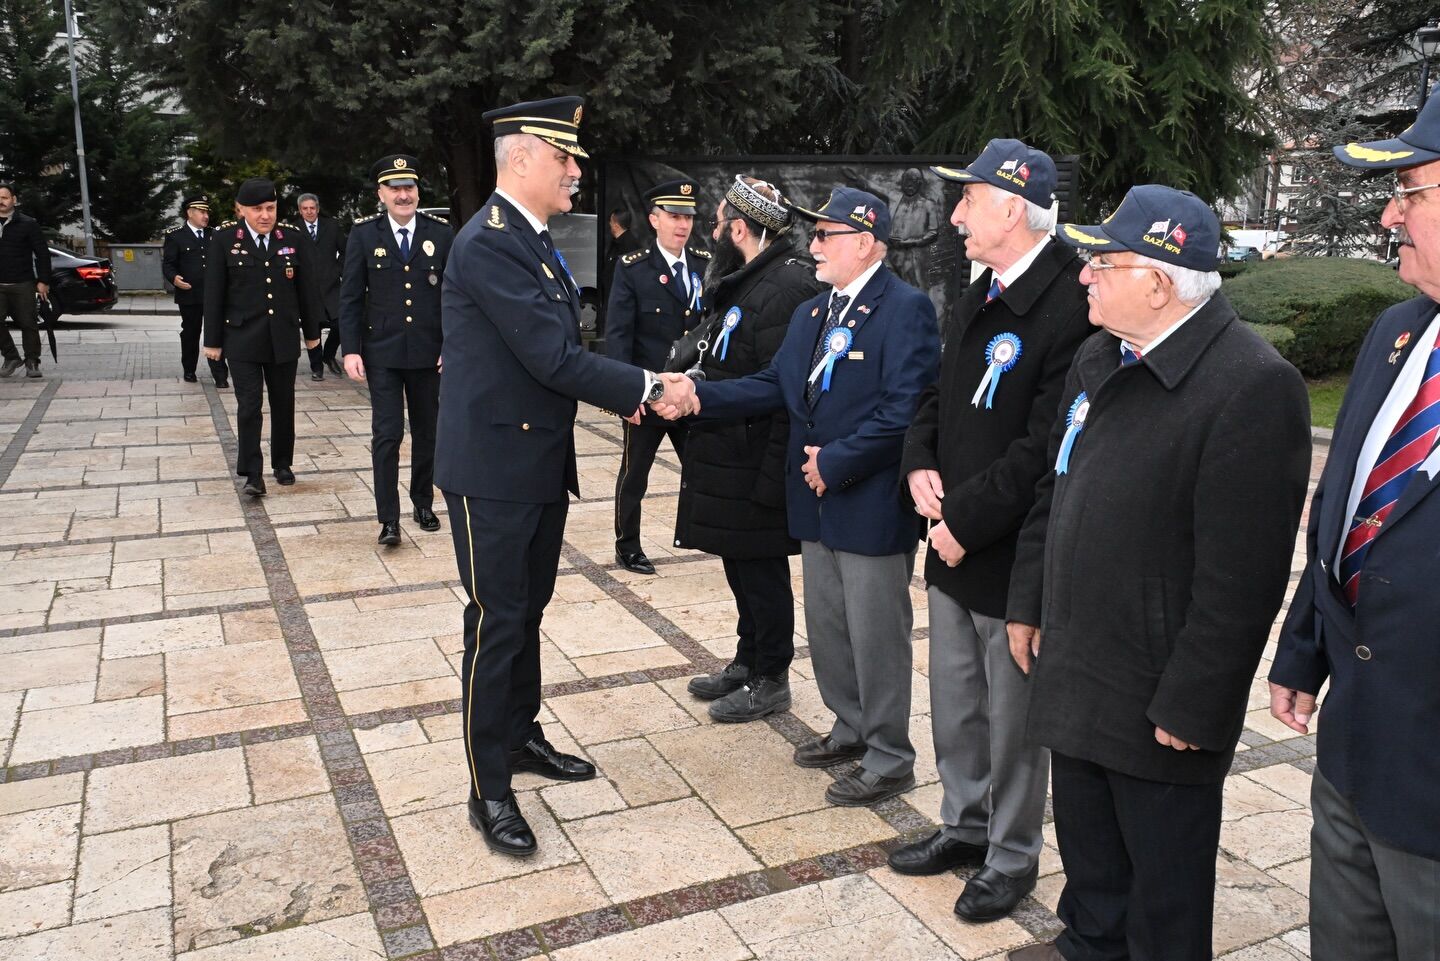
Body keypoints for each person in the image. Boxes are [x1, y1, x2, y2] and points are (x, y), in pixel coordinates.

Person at [1003, 185, 1311, 961]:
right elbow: (1055, 483)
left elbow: (1243, 578)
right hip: (1077, 671)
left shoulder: (1251, 384)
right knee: (1092, 877)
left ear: (1161, 281)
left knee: (1164, 908)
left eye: (1104, 263)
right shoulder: (1099, 354)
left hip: (1158, 706)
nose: (1084, 276)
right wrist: (1026, 602)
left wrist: (1197, 702)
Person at [436, 96, 696, 857]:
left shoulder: (534, 239)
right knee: (496, 620)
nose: (576, 171)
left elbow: (561, 348)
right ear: (521, 159)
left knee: (528, 611)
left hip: (537, 461)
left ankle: (520, 736)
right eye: (564, 158)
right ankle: (488, 786)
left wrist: (641, 382)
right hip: (492, 469)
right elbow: (552, 358)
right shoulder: (488, 243)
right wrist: (651, 387)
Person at [658, 187, 940, 807]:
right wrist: (697, 397)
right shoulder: (815, 313)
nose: (812, 246)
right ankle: (850, 728)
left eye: (825, 236)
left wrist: (835, 462)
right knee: (830, 628)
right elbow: (770, 383)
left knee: (876, 635)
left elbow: (906, 411)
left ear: (864, 244)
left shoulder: (906, 309)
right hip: (814, 503)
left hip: (866, 502)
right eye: (813, 236)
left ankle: (890, 755)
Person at [891, 140, 1091, 923]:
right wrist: (916, 467)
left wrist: (964, 522)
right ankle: (964, 826)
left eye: (968, 199)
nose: (955, 214)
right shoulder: (981, 288)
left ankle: (1011, 855)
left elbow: (1046, 448)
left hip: (1006, 558)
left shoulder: (1071, 301)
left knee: (1013, 724)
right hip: (949, 546)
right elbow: (938, 396)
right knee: (956, 706)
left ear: (1012, 206)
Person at [1269, 100, 1440, 961]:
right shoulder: (1396, 333)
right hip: (1350, 756)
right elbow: (1341, 508)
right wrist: (1303, 649)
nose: (1387, 214)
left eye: (1408, 189)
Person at [678, 176, 822, 722]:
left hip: (757, 453)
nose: (713, 233)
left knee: (760, 570)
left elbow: (780, 387)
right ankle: (747, 658)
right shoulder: (749, 279)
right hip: (730, 450)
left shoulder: (785, 287)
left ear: (739, 228)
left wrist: (771, 474)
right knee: (740, 564)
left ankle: (771, 676)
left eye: (717, 225)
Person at [340, 156, 451, 546]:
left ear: (418, 192)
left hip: (428, 353)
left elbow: (455, 296)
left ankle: (423, 502)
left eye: (409, 187)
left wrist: (451, 344)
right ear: (381, 194)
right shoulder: (364, 235)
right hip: (382, 354)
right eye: (395, 188)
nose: (403, 195)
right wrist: (350, 349)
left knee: (428, 433)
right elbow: (351, 297)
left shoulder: (441, 233)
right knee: (386, 435)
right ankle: (388, 519)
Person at [606, 178, 711, 574]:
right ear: (654, 219)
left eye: (688, 216)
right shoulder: (632, 269)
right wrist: (625, 394)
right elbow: (619, 337)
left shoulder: (704, 264)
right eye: (673, 215)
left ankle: (707, 532)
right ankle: (627, 545)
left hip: (691, 393)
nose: (682, 223)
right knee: (635, 474)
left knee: (701, 468)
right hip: (648, 393)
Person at [203, 177, 324, 497]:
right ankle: (252, 473)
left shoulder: (293, 239)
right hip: (242, 338)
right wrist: (212, 341)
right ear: (240, 209)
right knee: (249, 406)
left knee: (283, 403)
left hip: (282, 335)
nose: (265, 215)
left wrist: (312, 335)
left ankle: (282, 463)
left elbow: (307, 292)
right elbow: (214, 293)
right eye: (257, 209)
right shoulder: (225, 239)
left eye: (270, 208)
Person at [162, 195, 229, 387]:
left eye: (207, 212)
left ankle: (220, 376)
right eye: (202, 212)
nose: (206, 216)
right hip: (189, 294)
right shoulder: (175, 235)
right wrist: (174, 278)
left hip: (214, 295)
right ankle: (189, 370)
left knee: (215, 332)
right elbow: (168, 264)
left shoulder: (214, 234)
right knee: (191, 333)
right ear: (190, 213)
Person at [0, 182, 52, 379]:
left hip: (23, 283)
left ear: (14, 200)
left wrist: (43, 280)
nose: (1, 202)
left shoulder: (28, 223)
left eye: (4, 198)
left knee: (28, 323)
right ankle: (11, 356)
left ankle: (32, 361)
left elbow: (42, 254)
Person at [297, 193, 347, 380]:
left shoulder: (331, 226)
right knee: (313, 329)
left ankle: (328, 355)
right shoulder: (294, 229)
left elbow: (345, 251)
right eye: (305, 208)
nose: (309, 211)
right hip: (307, 288)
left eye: (312, 208)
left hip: (331, 286)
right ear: (300, 211)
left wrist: (338, 270)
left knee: (342, 322)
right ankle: (316, 366)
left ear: (317, 209)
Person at [887, 167, 939, 291]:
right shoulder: (894, 199)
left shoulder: (928, 204)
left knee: (912, 289)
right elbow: (873, 188)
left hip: (913, 257)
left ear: (920, 183)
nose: (910, 183)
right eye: (907, 180)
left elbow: (933, 232)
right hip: (890, 254)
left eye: (914, 180)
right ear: (902, 181)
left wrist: (911, 242)